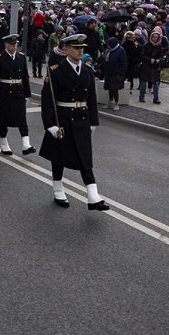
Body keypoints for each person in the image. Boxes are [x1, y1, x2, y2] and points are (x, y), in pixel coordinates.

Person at [39, 34, 109, 211]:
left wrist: (94, 121)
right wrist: (50, 126)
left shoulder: (87, 70)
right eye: (76, 48)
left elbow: (91, 98)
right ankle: (58, 188)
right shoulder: (55, 70)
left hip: (82, 118)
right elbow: (48, 101)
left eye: (82, 48)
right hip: (63, 118)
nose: (80, 51)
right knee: (59, 156)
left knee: (85, 157)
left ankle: (93, 195)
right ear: (67, 49)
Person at [0, 34, 35, 156]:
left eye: (15, 44)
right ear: (6, 45)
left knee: (22, 118)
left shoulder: (21, 57)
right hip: (4, 92)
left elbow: (25, 76)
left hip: (18, 91)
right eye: (11, 44)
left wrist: (27, 94)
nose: (14, 46)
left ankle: (26, 144)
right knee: (3, 120)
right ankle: (4, 143)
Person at [139, 31, 166, 104]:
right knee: (143, 82)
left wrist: (159, 60)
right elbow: (142, 55)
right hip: (146, 66)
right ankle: (141, 97)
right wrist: (149, 59)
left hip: (155, 67)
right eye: (153, 37)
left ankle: (156, 98)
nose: (154, 38)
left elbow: (161, 55)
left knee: (156, 83)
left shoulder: (159, 46)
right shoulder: (146, 45)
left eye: (156, 37)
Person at [101, 36, 127, 110]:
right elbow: (104, 60)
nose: (107, 46)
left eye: (108, 44)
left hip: (116, 74)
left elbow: (124, 64)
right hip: (108, 73)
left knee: (115, 89)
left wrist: (120, 74)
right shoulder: (108, 50)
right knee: (110, 89)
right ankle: (110, 102)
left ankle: (116, 103)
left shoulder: (121, 51)